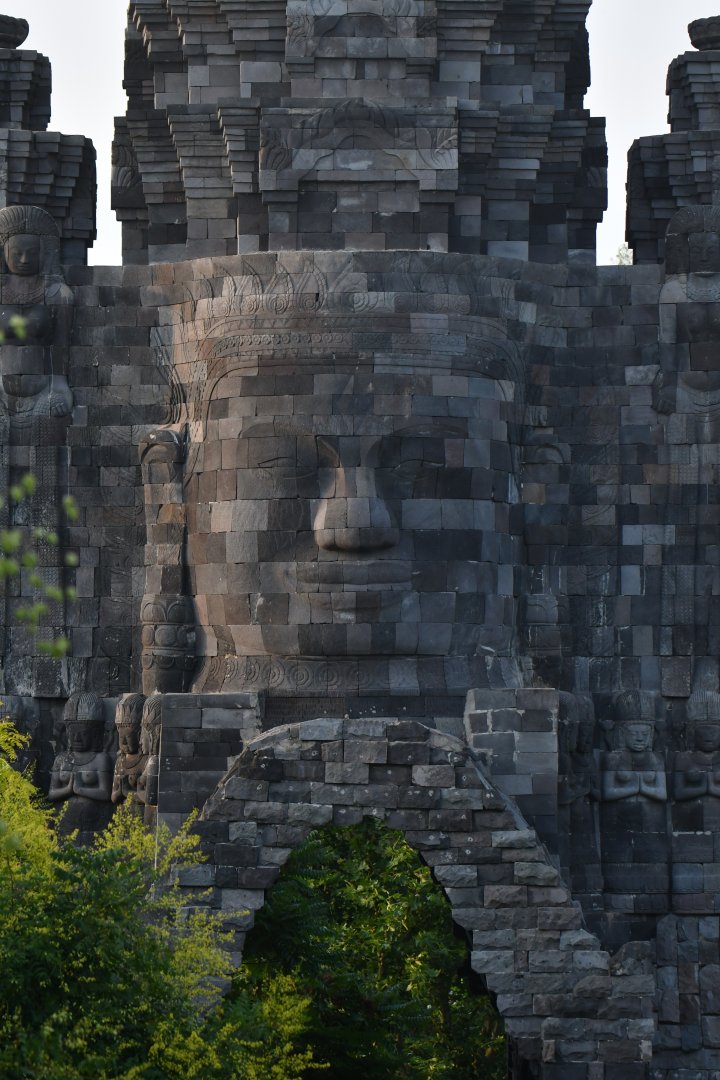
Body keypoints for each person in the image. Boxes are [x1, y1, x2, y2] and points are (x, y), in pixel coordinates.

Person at [48, 692, 114, 840]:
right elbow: (51, 794)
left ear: (94, 734)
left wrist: (79, 789)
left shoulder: (100, 759)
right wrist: (68, 789)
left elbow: (105, 793)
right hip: (64, 822)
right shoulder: (61, 759)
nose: (76, 738)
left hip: (94, 823)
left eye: (83, 734)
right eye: (73, 733)